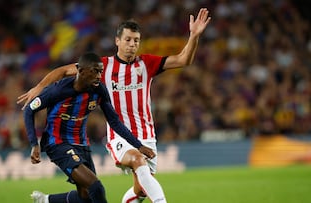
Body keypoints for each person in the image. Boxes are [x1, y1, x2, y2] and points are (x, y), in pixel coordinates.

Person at [19, 8, 211, 203]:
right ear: (117, 41)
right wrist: (39, 87)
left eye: (136, 40)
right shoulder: (101, 67)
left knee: (140, 191)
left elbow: (183, 59)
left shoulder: (147, 63)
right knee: (136, 161)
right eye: (127, 39)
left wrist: (194, 35)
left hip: (146, 135)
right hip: (119, 136)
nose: (132, 44)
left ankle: (46, 201)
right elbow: (62, 71)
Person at [23, 52, 156, 203]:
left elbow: (114, 121)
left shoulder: (99, 90)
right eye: (95, 71)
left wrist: (138, 146)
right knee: (96, 187)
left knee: (85, 196)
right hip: (58, 143)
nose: (99, 76)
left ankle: (46, 200)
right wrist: (34, 143)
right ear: (80, 71)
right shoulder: (58, 90)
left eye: (100, 71)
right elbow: (29, 110)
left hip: (82, 144)